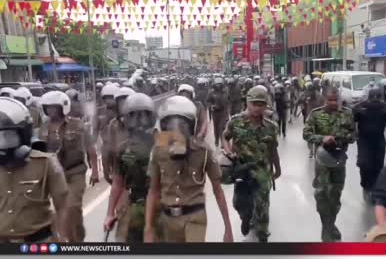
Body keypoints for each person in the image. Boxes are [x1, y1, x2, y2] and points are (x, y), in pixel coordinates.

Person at [144, 96, 233, 243]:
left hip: (195, 217)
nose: (177, 129)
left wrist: (228, 228)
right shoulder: (158, 151)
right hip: (168, 220)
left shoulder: (203, 151)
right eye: (171, 124)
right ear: (164, 126)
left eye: (183, 124)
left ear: (192, 126)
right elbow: (153, 192)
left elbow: (218, 190)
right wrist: (148, 228)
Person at [0, 97, 69, 243]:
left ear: (23, 135)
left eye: (6, 136)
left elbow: (62, 206)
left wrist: (64, 239)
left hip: (38, 242)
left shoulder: (46, 163)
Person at [222, 86, 281, 242]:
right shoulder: (236, 121)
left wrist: (278, 168)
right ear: (248, 102)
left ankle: (262, 237)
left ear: (266, 105)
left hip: (262, 171)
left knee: (262, 208)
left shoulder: (271, 127)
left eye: (261, 104)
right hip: (242, 170)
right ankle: (246, 217)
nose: (257, 107)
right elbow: (225, 137)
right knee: (239, 203)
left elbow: (273, 149)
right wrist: (228, 152)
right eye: (254, 103)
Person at [39, 91, 99, 242]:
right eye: (48, 108)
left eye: (55, 107)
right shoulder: (43, 128)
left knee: (73, 207)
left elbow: (90, 148)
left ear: (63, 107)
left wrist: (95, 171)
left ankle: (77, 240)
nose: (51, 111)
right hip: (53, 175)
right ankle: (64, 241)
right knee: (59, 210)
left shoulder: (77, 125)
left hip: (75, 172)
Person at [104, 93, 159, 242]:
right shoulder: (123, 149)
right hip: (133, 203)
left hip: (160, 206)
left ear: (151, 117)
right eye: (134, 116)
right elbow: (117, 183)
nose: (139, 121)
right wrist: (110, 213)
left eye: (143, 116)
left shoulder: (163, 144)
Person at [302, 87, 355, 242]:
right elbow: (306, 134)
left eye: (335, 100)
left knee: (336, 195)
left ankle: (331, 225)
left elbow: (353, 135)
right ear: (324, 99)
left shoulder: (346, 113)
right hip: (322, 160)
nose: (333, 103)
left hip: (339, 158)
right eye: (330, 100)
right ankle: (327, 230)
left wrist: (340, 137)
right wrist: (322, 138)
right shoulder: (316, 114)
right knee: (322, 194)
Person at [353, 87, 386, 202]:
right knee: (365, 165)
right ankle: (366, 187)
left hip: (379, 141)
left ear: (381, 98)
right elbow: (351, 121)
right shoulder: (360, 108)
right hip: (364, 141)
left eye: (378, 98)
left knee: (377, 166)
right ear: (369, 97)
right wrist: (352, 133)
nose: (375, 100)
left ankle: (375, 189)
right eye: (373, 98)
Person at [207, 77, 229, 147]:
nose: (218, 86)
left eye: (219, 84)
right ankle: (216, 139)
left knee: (222, 127)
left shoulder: (225, 92)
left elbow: (227, 101)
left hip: (223, 112)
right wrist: (212, 106)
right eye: (216, 84)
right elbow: (208, 100)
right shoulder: (211, 92)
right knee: (216, 127)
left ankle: (223, 142)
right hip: (215, 113)